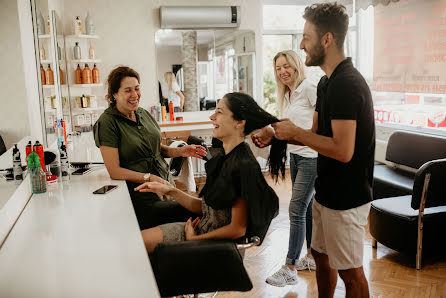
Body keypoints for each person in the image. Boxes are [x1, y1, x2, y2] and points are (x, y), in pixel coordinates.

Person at [272, 3, 375, 297]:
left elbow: (342, 150)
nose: (302, 44)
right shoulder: (327, 83)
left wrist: (296, 131)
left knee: (351, 273)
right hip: (326, 190)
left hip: (348, 196)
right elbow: (315, 135)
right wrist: (278, 136)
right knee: (321, 256)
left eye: (307, 37)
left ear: (327, 39)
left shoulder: (347, 84)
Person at [135, 92, 285, 253]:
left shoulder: (242, 165)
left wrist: (194, 239)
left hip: (211, 245)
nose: (212, 117)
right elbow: (205, 207)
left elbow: (238, 229)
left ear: (239, 122)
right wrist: (170, 190)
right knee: (136, 240)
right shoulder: (224, 157)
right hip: (201, 229)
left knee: (136, 247)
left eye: (219, 112)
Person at [93, 66, 207, 230]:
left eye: (137, 88)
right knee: (195, 215)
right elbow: (115, 171)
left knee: (190, 222)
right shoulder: (107, 123)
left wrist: (179, 151)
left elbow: (155, 148)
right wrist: (150, 178)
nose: (135, 94)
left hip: (165, 185)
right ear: (115, 94)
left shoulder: (143, 114)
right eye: (128, 90)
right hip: (141, 195)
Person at [252, 50, 318, 287]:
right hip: (296, 156)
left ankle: (290, 267)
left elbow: (326, 121)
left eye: (286, 66)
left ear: (297, 65)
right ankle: (311, 257)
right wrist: (269, 132)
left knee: (296, 208)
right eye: (278, 68)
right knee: (307, 208)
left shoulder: (309, 88)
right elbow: (289, 127)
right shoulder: (288, 95)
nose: (282, 72)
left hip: (312, 157)